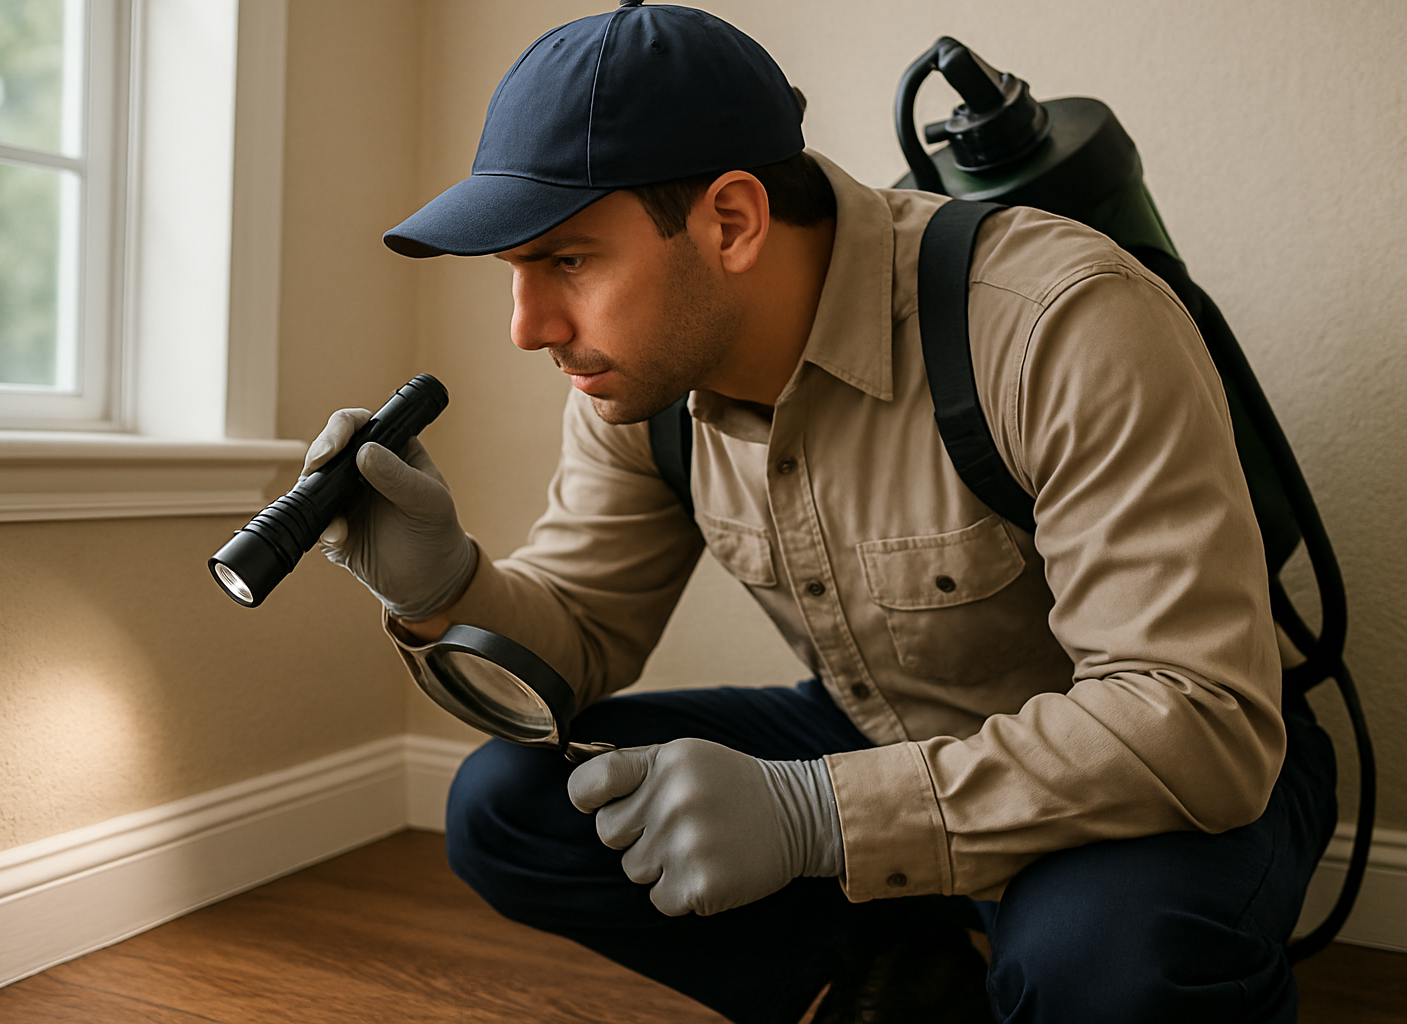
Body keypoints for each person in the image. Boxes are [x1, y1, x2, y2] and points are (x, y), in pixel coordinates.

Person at [301, 4, 1337, 1022]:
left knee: (1110, 968)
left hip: (1154, 769)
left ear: (733, 221)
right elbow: (575, 638)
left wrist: (817, 815)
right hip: (882, 721)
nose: (530, 328)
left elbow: (1196, 718)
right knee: (506, 806)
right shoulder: (645, 377)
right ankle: (904, 972)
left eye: (567, 260)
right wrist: (444, 588)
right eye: (515, 271)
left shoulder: (1056, 324)